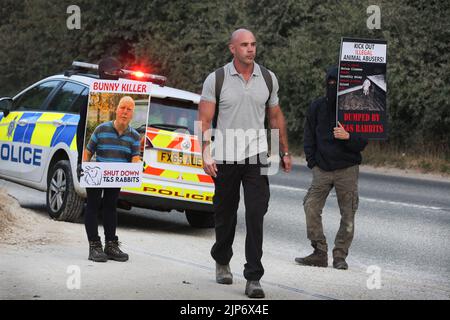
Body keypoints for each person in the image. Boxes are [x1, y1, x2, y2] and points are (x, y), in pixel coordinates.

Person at [198, 28, 291, 298]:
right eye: (244, 45)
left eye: (253, 44)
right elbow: (204, 120)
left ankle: (253, 277)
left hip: (256, 156)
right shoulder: (217, 79)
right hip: (225, 155)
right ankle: (222, 257)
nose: (250, 49)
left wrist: (283, 151)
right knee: (225, 213)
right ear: (232, 49)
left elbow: (275, 117)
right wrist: (206, 152)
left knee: (255, 213)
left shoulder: (268, 79)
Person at [295, 66, 368, 270]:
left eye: (337, 83)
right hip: (322, 168)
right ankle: (319, 251)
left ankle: (340, 255)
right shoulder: (317, 106)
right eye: (330, 82)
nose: (332, 86)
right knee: (311, 206)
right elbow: (308, 134)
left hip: (348, 167)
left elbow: (362, 142)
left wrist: (348, 137)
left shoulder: (354, 107)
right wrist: (312, 161)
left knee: (348, 213)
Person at [81, 95, 141, 263]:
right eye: (122, 107)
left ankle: (111, 246)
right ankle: (94, 246)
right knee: (92, 206)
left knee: (110, 208)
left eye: (129, 109)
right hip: (96, 174)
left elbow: (135, 159)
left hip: (116, 176)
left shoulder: (134, 136)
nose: (125, 111)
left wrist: (138, 169)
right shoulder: (101, 129)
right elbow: (88, 151)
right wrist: (84, 167)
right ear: (116, 109)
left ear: (132, 114)